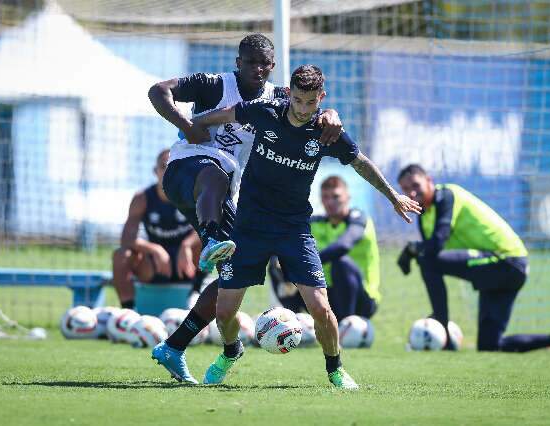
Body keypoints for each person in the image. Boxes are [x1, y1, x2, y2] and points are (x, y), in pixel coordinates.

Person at [191, 64, 421, 389]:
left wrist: (393, 195)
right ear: (288, 94)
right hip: (250, 228)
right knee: (225, 312)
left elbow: (361, 163)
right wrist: (194, 125)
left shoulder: (327, 132)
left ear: (321, 97)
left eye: (310, 103)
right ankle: (230, 351)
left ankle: (336, 370)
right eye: (297, 100)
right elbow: (224, 114)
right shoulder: (266, 111)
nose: (302, 109)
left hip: (294, 230)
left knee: (321, 308)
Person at [148, 34, 343, 384]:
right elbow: (158, 90)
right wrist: (187, 126)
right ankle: (210, 239)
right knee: (215, 169)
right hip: (187, 171)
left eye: (263, 63)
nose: (256, 68)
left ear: (272, 66)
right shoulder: (212, 85)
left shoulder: (280, 100)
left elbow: (314, 105)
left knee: (230, 280)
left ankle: (176, 346)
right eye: (249, 61)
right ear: (237, 62)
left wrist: (331, 114)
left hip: (221, 195)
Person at [396, 164, 550, 356]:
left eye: (416, 185)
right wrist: (415, 250)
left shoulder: (446, 196)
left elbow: (437, 244)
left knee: (428, 262)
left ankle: (444, 332)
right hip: (496, 271)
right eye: (406, 189)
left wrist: (413, 250)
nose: (412, 193)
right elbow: (431, 249)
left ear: (429, 181)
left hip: (506, 261)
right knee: (490, 346)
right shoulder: (424, 214)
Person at [268, 175, 381, 322]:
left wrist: (301, 265)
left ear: (348, 197)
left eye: (336, 196)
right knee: (277, 262)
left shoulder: (359, 219)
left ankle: (346, 324)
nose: (330, 202)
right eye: (325, 197)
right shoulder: (315, 222)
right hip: (326, 295)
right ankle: (294, 324)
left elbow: (343, 246)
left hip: (362, 300)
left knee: (340, 262)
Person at [112, 149, 203, 310]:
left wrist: (186, 245)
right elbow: (127, 238)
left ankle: (197, 293)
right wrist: (155, 249)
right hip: (156, 264)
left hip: (188, 262)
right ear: (155, 172)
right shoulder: (142, 198)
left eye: (173, 167)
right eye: (163, 166)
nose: (168, 171)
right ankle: (129, 311)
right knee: (121, 255)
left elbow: (209, 227)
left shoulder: (193, 194)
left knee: (213, 243)